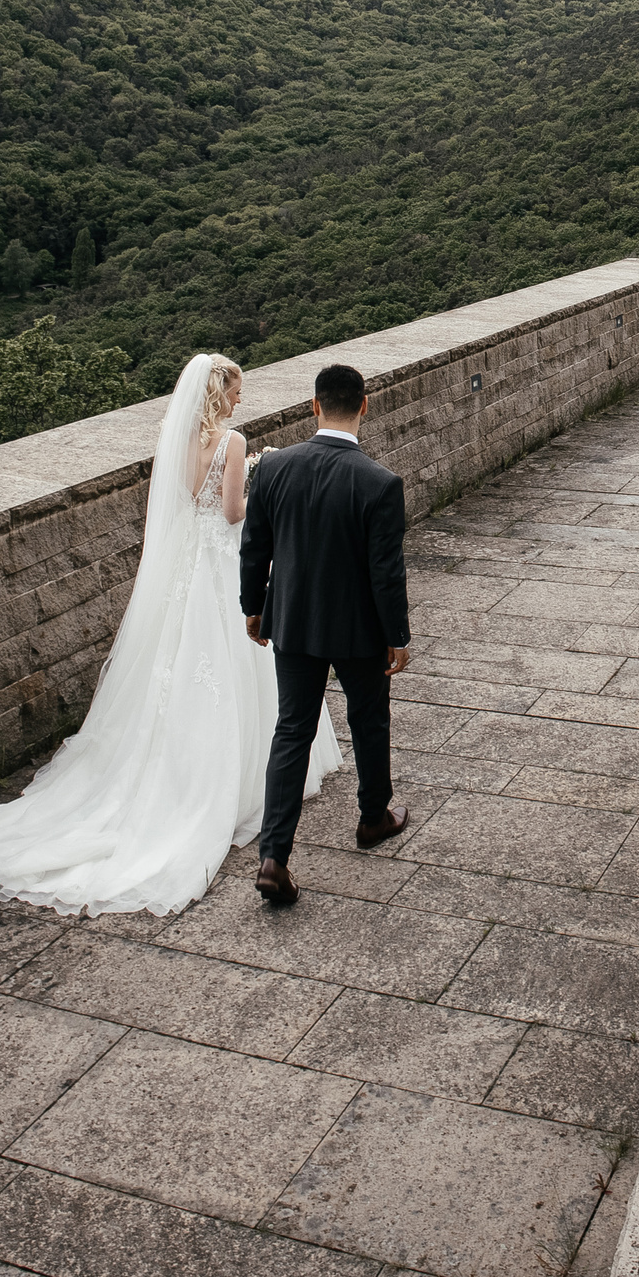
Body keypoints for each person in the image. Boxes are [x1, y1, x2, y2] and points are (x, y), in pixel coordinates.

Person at [0, 354, 341, 914]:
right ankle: (227, 780)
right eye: (237, 391)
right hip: (217, 562)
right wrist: (261, 477)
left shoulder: (173, 434)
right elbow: (235, 512)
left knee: (174, 658)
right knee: (233, 657)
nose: (241, 400)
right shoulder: (232, 442)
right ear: (221, 392)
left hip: (183, 565)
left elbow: (180, 503)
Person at [241, 362, 411, 907]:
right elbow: (386, 572)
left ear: (314, 407)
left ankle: (274, 857)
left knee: (292, 731)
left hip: (291, 620)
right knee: (368, 718)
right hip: (359, 629)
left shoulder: (272, 469)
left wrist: (255, 608)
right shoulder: (380, 483)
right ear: (365, 405)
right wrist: (397, 635)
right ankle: (372, 817)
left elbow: (255, 548)